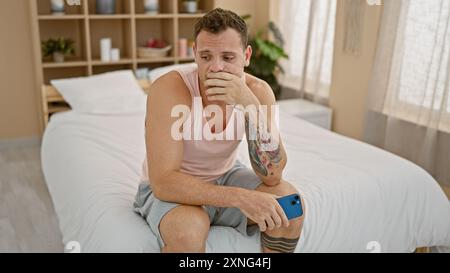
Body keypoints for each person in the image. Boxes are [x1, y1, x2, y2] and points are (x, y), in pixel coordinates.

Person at [134, 8, 305, 253]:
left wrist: (249, 105)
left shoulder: (258, 91)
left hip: (224, 174)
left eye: (227, 58)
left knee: (291, 206)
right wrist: (239, 198)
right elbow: (163, 182)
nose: (215, 68)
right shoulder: (170, 89)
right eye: (206, 57)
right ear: (194, 54)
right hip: (175, 187)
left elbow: (273, 176)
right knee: (188, 232)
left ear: (246, 56)